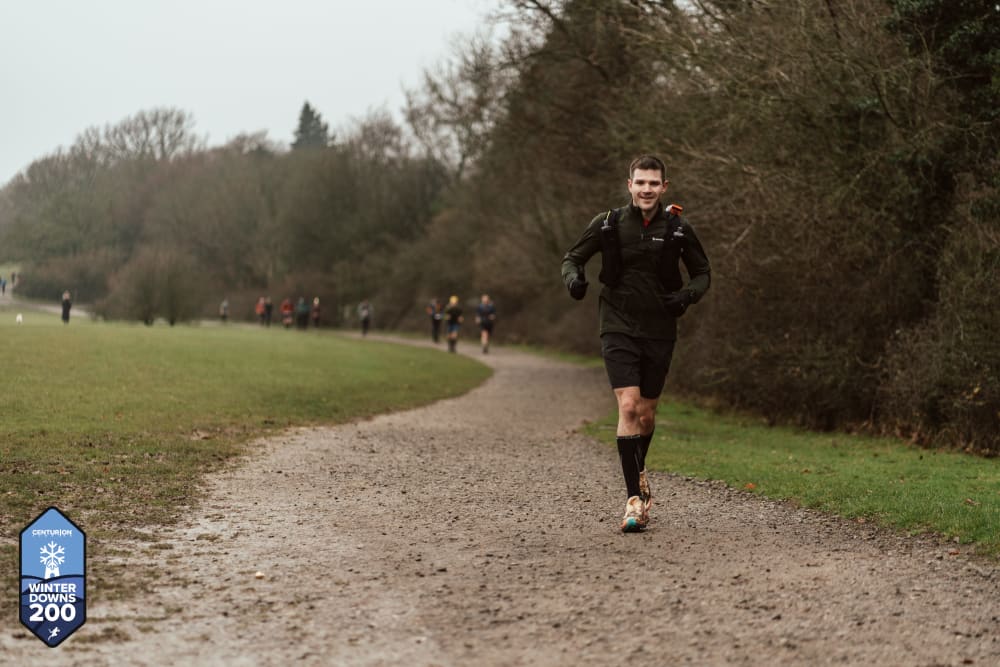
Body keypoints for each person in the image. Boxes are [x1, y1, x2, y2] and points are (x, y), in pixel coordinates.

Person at [561, 154, 711, 533]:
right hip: (617, 323)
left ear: (664, 187)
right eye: (640, 182)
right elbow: (572, 259)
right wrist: (574, 280)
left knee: (646, 414)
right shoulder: (608, 223)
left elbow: (703, 273)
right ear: (629, 185)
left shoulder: (678, 228)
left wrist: (687, 296)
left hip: (659, 328)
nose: (646, 189)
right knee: (628, 405)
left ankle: (639, 473)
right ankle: (634, 501)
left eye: (653, 183)